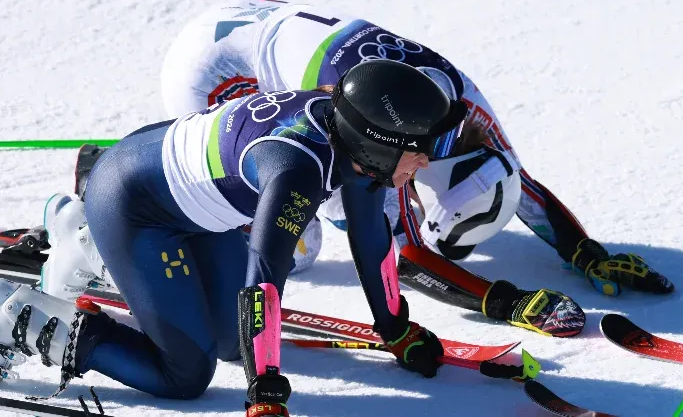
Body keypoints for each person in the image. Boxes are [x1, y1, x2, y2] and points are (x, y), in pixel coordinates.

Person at [48, 0, 673, 339]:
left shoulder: (464, 117)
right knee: (299, 243)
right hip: (214, 71)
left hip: (253, 28)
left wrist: (584, 251)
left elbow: (522, 187)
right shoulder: (393, 133)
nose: (415, 182)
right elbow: (394, 254)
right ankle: (108, 200)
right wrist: (505, 302)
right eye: (424, 200)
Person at [1, 61, 450, 414]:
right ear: (376, 143)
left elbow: (371, 240)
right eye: (415, 148)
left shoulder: (353, 142)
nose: (425, 161)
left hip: (179, 201)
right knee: (185, 376)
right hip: (133, 207)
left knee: (233, 341)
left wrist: (395, 329)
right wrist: (265, 390)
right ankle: (22, 315)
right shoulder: (297, 170)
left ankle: (98, 248)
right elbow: (266, 277)